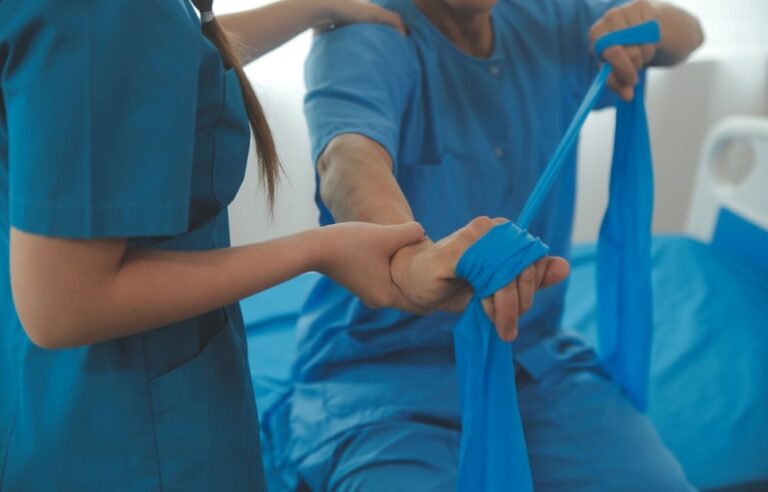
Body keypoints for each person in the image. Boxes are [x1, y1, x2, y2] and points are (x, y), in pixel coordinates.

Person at [0, 0, 548, 489]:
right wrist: (321, 250)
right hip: (125, 437)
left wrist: (310, 7)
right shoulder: (102, 13)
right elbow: (63, 306)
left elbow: (158, 54)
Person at [266, 0, 704, 490]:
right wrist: (408, 256)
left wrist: (647, 24)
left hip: (531, 362)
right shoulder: (369, 32)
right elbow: (348, 160)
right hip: (383, 380)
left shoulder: (549, 17)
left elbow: (688, 34)